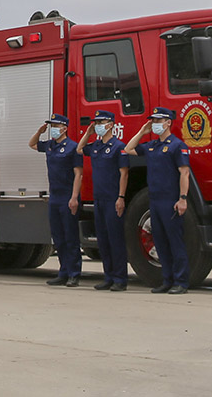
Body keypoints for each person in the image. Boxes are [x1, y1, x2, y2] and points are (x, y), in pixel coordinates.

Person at [123, 107, 190, 294]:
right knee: (160, 241)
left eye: (159, 121)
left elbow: (184, 173)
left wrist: (183, 198)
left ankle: (181, 282)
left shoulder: (177, 145)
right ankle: (167, 280)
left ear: (168, 123)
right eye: (153, 121)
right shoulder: (152, 145)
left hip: (170, 200)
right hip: (154, 200)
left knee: (175, 242)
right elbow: (128, 149)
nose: (155, 125)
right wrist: (142, 131)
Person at [76, 110, 130, 291]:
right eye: (96, 122)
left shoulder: (118, 146)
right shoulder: (96, 146)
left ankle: (120, 279)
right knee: (103, 241)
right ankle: (108, 276)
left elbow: (124, 174)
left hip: (113, 198)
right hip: (98, 199)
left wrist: (121, 197)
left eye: (101, 122)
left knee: (115, 240)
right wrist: (88, 133)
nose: (98, 125)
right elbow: (79, 149)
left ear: (111, 124)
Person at [29, 113, 83, 287]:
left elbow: (78, 174)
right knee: (58, 237)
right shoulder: (50, 145)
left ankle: (74, 274)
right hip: (55, 197)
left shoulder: (72, 147)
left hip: (68, 196)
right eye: (51, 126)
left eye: (56, 126)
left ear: (64, 128)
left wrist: (74, 197)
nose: (53, 129)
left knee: (70, 237)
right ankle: (63, 271)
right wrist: (40, 131)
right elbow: (32, 144)